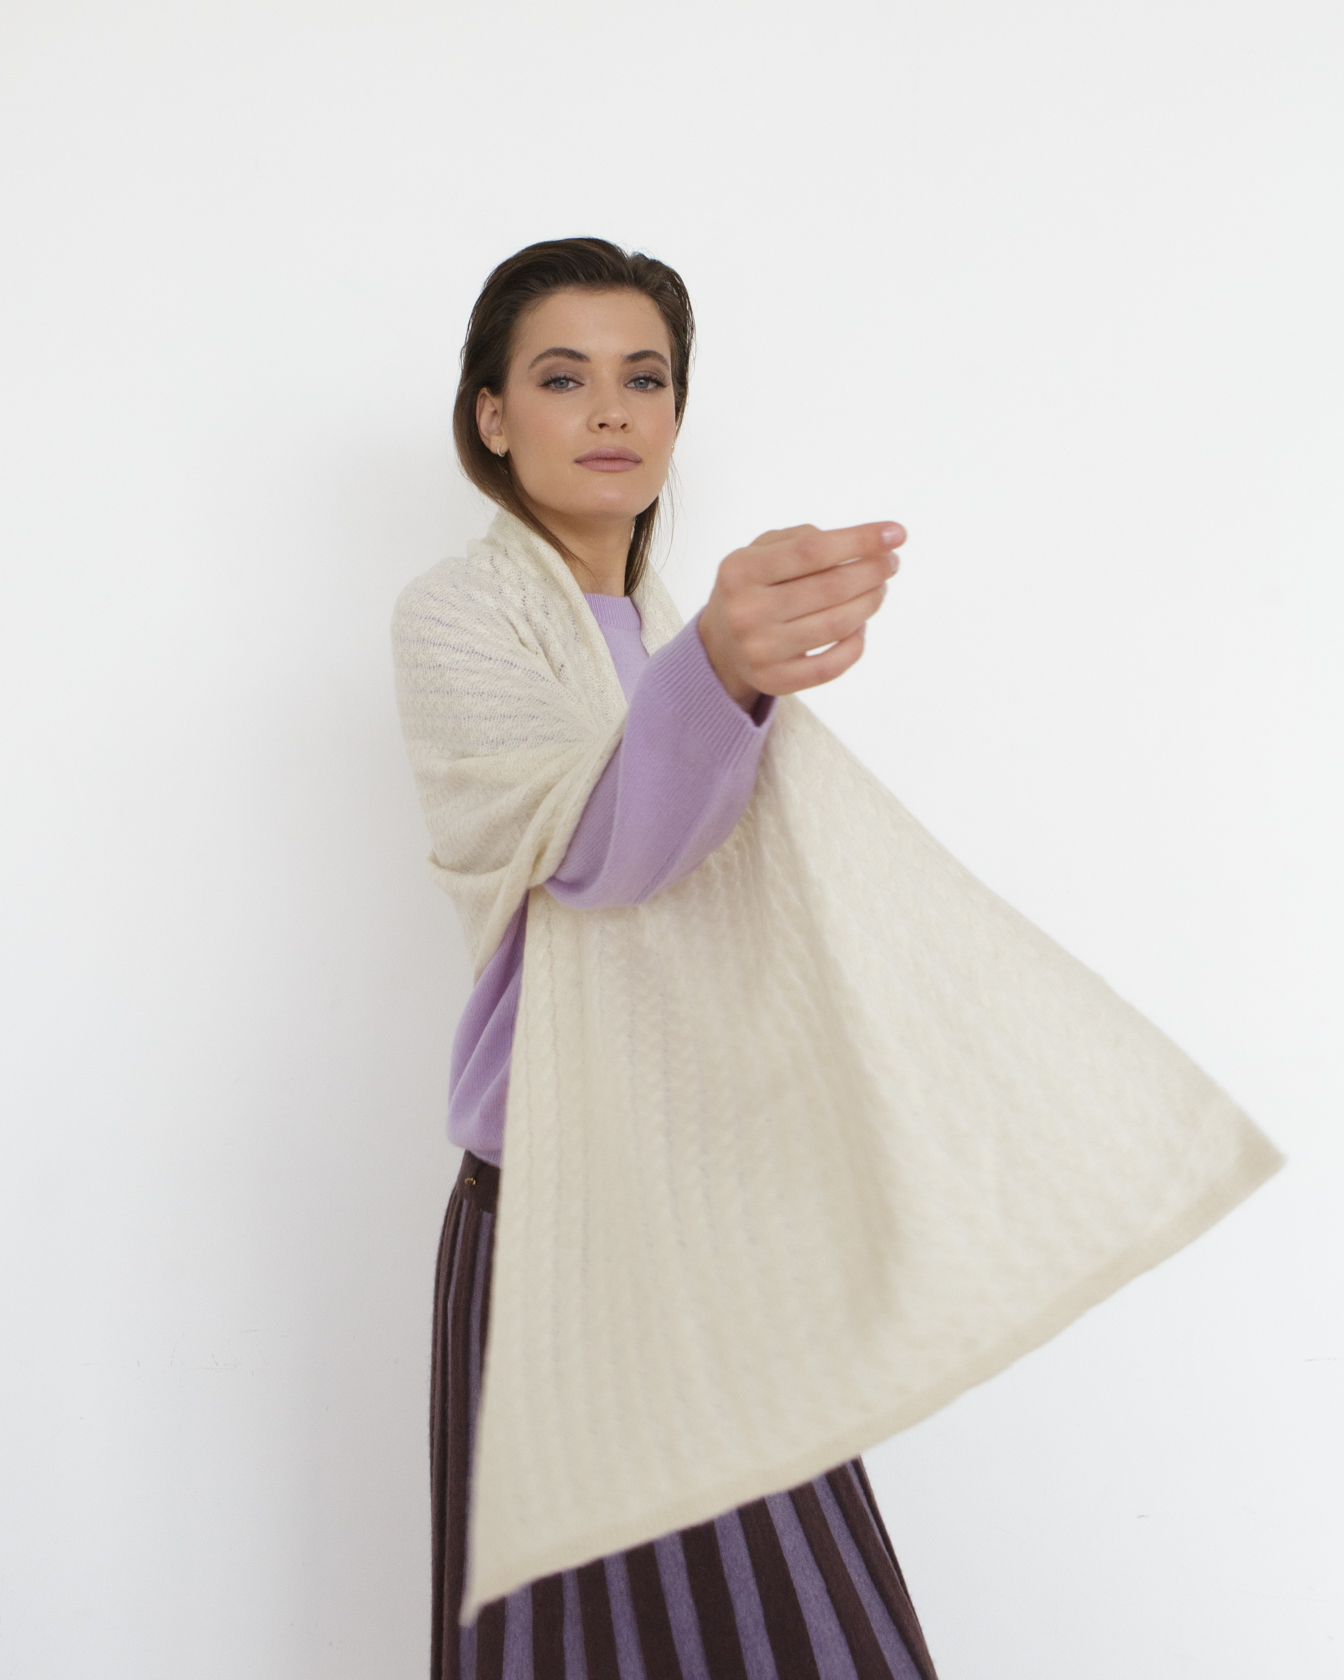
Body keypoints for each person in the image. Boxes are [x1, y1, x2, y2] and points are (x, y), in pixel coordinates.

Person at [394, 238, 939, 1680]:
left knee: (804, 1634)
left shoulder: (669, 630)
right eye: (561, 377)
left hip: (705, 1209)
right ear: (492, 415)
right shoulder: (461, 617)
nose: (610, 410)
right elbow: (602, 856)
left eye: (644, 378)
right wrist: (727, 672)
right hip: (555, 1218)